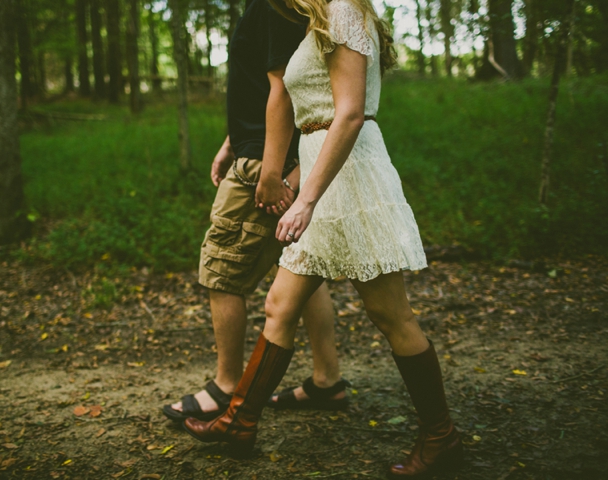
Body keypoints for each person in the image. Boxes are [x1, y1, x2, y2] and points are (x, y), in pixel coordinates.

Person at [183, 0, 463, 477]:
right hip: (320, 168)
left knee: (389, 312)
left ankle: (441, 435)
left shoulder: (347, 11)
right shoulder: (317, 19)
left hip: (348, 176)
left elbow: (350, 114)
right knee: (280, 304)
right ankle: (240, 421)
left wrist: (305, 199)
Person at [162, 0, 349, 424]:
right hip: (266, 151)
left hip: (267, 163)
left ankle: (226, 386)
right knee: (301, 266)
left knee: (221, 270)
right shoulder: (269, 6)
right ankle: (327, 380)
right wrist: (233, 139)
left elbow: (284, 88)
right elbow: (258, 85)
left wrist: (268, 169)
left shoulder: (273, 4)